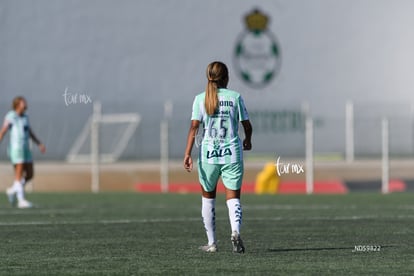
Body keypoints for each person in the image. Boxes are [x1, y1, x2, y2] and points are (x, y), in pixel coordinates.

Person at [184, 61, 252, 253]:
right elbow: (246, 124)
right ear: (227, 77)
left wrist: (187, 153)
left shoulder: (200, 99)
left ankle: (212, 243)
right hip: (232, 154)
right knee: (233, 198)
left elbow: (194, 128)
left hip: (208, 156)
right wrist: (248, 140)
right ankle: (235, 232)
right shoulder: (235, 97)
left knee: (208, 198)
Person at [0, 96, 46, 208]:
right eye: (22, 102)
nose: (25, 104)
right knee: (19, 175)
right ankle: (21, 200)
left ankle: (12, 190)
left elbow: (29, 131)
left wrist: (39, 143)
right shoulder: (11, 116)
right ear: (17, 104)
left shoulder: (26, 117)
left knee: (30, 174)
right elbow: (3, 131)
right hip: (16, 149)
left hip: (26, 149)